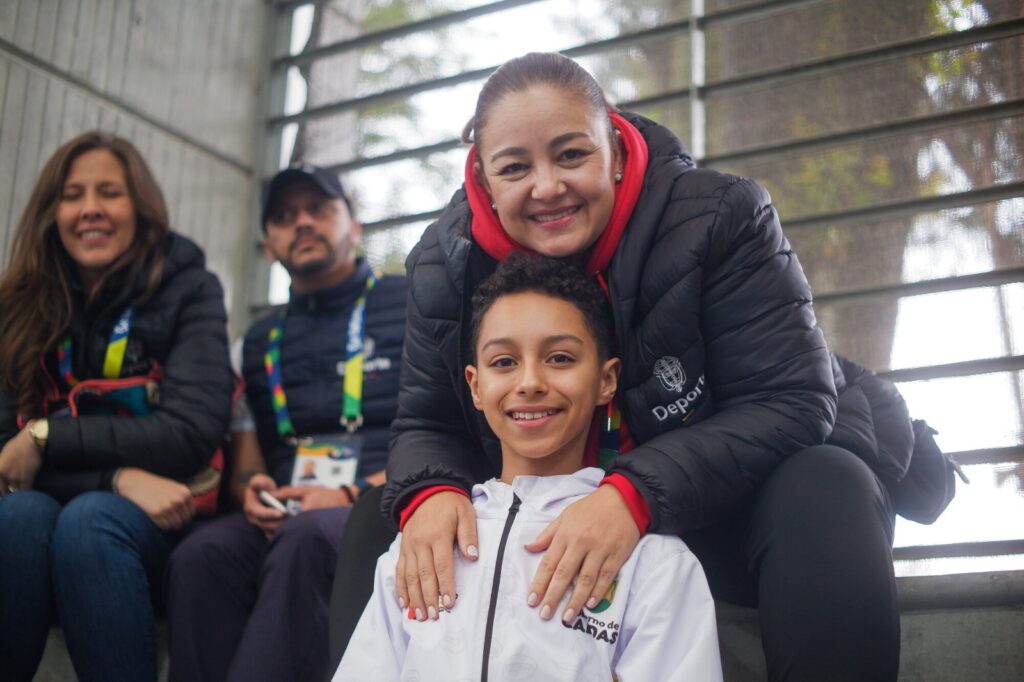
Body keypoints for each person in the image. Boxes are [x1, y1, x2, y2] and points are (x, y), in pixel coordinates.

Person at [331, 52, 912, 681]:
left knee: (826, 483)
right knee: (380, 520)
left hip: (716, 509)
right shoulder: (442, 265)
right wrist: (431, 491)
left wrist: (631, 495)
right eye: (515, 167)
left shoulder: (719, 216)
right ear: (482, 177)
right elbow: (425, 422)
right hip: (539, 523)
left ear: (613, 147)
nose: (547, 185)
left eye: (571, 155)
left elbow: (792, 400)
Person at [335, 254, 723, 681]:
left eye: (560, 358)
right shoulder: (419, 549)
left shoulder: (655, 562)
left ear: (606, 380)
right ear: (476, 386)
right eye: (504, 362)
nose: (530, 382)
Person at [0, 131, 234, 682]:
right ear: (50, 212)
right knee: (18, 516)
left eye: (109, 192)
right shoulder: (15, 306)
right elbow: (4, 463)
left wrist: (45, 438)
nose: (90, 210)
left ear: (140, 207)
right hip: (53, 512)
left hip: (161, 521)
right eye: (73, 194)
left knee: (89, 524)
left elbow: (191, 431)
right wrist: (117, 476)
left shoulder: (191, 288)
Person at [166, 164, 407, 682]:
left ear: (355, 225)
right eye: (283, 215)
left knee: (307, 539)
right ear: (267, 244)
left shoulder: (410, 305)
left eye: (318, 208)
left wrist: (349, 495)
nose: (301, 222)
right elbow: (246, 465)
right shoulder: (257, 341)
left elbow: (444, 431)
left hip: (388, 502)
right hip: (291, 507)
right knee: (201, 554)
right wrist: (252, 489)